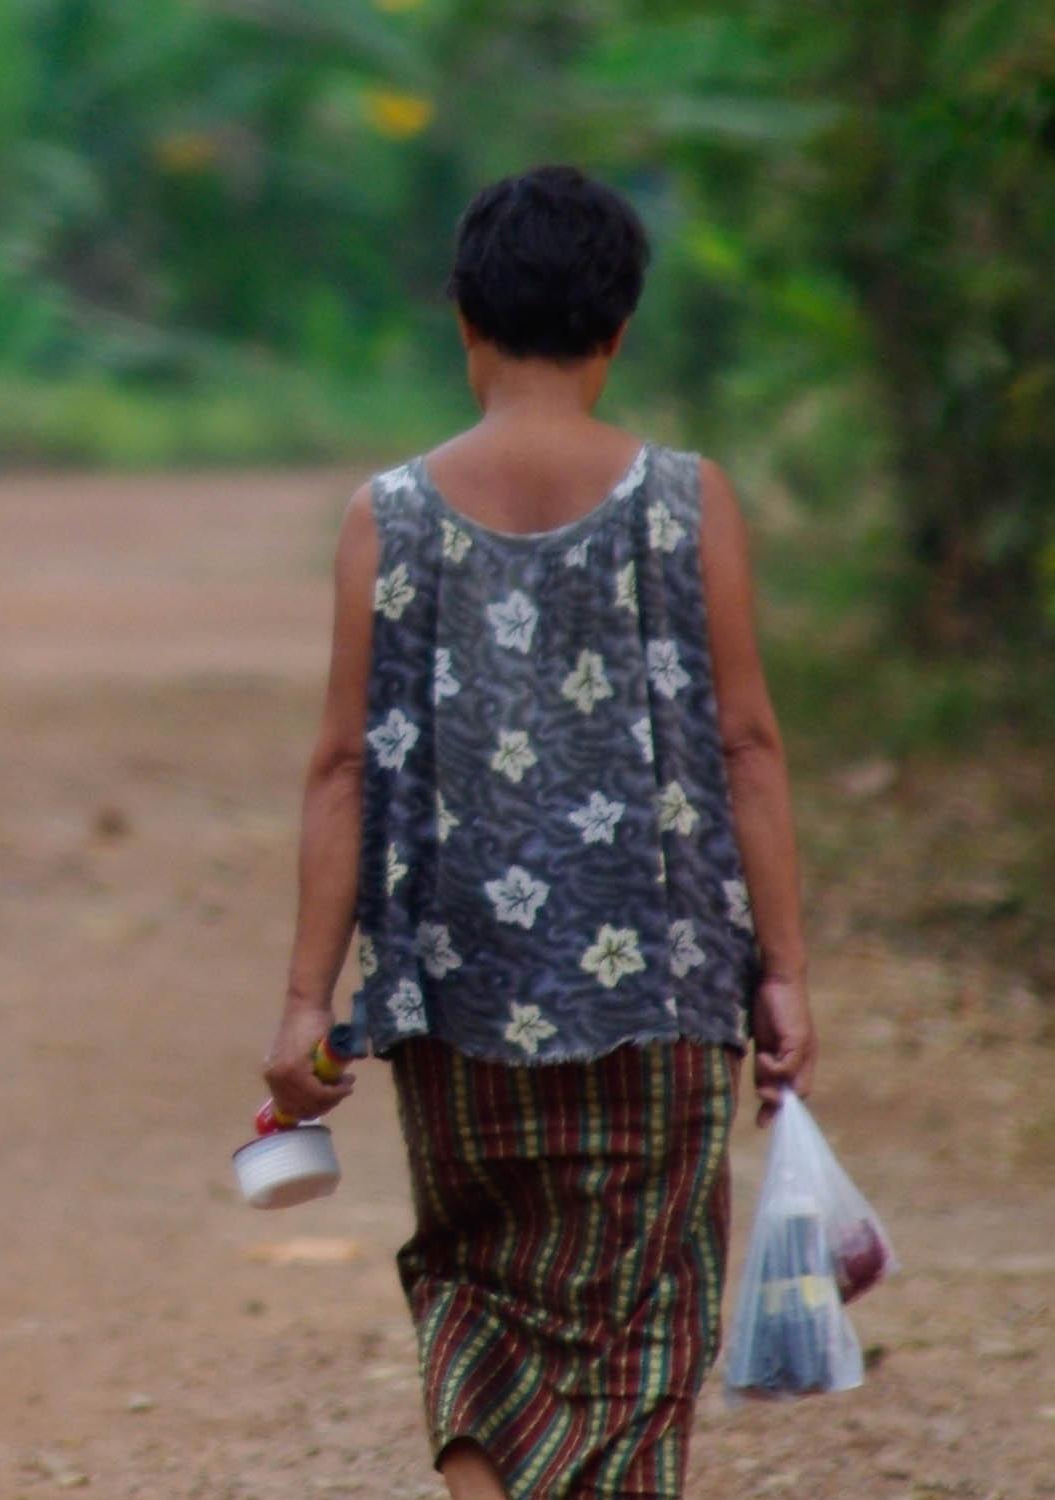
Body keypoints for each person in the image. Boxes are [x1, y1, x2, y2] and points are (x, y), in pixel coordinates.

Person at [261, 165, 816, 1499]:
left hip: (457, 989)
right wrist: (784, 967)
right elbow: (746, 741)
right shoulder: (690, 499)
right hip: (664, 983)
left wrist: (303, 1000)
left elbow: (341, 762)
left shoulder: (384, 516)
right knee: (640, 1305)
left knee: (471, 1266)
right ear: (618, 328)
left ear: (465, 319)